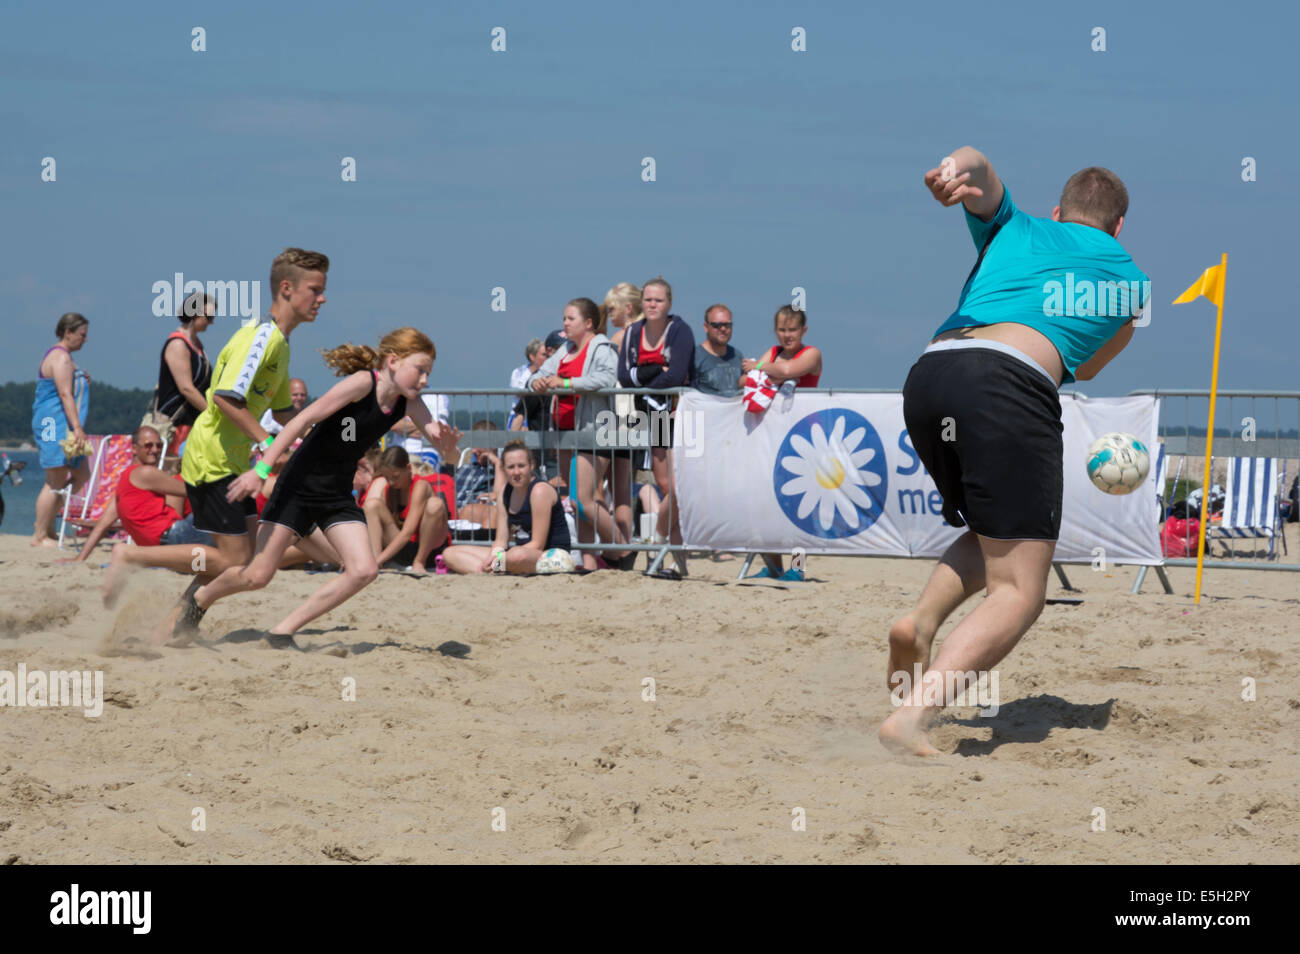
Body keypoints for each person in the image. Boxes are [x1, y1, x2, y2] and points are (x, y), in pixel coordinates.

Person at [881, 148, 1148, 756]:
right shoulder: (1133, 284)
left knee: (996, 530)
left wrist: (953, 167)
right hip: (1008, 382)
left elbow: (980, 169)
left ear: (1058, 211)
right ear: (1120, 228)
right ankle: (910, 718)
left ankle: (919, 622)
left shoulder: (1016, 226)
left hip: (930, 373)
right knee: (1020, 591)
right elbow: (1086, 365)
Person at [161, 327, 442, 648]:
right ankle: (199, 599)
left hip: (335, 494)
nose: (423, 380)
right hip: (298, 486)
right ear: (393, 361)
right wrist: (262, 468)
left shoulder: (410, 403)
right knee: (257, 576)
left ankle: (282, 631)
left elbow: (437, 437)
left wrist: (445, 443)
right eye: (420, 370)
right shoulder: (364, 383)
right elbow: (299, 420)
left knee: (364, 570)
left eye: (428, 373)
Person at [179, 247, 328, 583]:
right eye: (315, 291)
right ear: (287, 288)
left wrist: (325, 436)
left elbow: (283, 410)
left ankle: (178, 621)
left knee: (245, 560)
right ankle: (132, 555)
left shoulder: (281, 342)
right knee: (236, 559)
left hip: (232, 461)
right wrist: (267, 444)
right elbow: (226, 399)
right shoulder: (263, 337)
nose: (322, 299)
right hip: (211, 457)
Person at [69, 427, 330, 605]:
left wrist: (82, 556)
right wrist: (233, 480)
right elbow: (192, 490)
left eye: (158, 445)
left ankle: (183, 612)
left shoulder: (128, 479)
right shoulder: (147, 473)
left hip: (168, 542)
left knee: (239, 557)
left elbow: (106, 520)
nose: (154, 449)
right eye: (147, 445)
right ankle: (131, 557)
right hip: (173, 537)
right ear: (134, 447)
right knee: (244, 553)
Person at [530, 298, 627, 569]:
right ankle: (588, 562)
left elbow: (607, 378)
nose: (565, 323)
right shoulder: (564, 350)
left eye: (570, 318)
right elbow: (538, 374)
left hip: (592, 430)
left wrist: (567, 383)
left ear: (588, 323)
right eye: (564, 318)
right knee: (578, 502)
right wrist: (536, 382)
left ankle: (623, 547)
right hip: (564, 431)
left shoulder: (602, 347)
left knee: (581, 500)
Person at [741, 305, 822, 580]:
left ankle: (797, 568)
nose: (787, 335)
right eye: (782, 330)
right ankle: (774, 566)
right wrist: (762, 369)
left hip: (804, 438)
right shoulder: (773, 352)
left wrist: (761, 367)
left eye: (793, 330)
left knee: (799, 508)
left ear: (803, 330)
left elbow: (789, 369)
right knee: (764, 503)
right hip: (771, 437)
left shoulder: (812, 353)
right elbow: (744, 378)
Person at [618, 277, 695, 552]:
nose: (652, 305)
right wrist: (654, 371)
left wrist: (643, 377)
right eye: (648, 300)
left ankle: (661, 537)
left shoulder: (680, 331)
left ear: (669, 303)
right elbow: (624, 378)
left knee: (678, 488)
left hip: (679, 415)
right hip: (650, 417)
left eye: (658, 300)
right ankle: (674, 555)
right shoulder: (632, 333)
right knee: (666, 486)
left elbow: (676, 375)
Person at [442, 441, 571, 574]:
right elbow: (501, 541)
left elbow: (538, 544)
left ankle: (496, 569)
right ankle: (491, 572)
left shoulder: (540, 491)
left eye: (521, 466)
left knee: (517, 554)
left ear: (531, 465)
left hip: (551, 556)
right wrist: (495, 556)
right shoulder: (505, 492)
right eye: (511, 467)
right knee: (450, 553)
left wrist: (498, 561)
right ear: (504, 469)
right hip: (515, 555)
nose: (516, 472)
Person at [31, 313, 91, 547]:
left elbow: (69, 387)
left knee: (81, 474)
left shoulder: (65, 359)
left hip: (62, 425)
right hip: (53, 424)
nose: (85, 340)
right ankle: (40, 534)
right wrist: (77, 428)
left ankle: (47, 526)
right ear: (68, 332)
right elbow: (65, 394)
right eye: (82, 335)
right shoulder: (60, 358)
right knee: (54, 479)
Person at [143, 292, 215, 470]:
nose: (211, 322)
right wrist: (213, 413)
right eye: (209, 316)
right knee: (169, 475)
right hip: (174, 425)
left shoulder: (197, 345)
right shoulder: (178, 344)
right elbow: (186, 388)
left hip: (190, 422)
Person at [360, 446, 452, 574]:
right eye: (387, 478)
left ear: (408, 468)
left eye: (395, 477)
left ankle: (419, 561)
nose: (391, 482)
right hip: (403, 547)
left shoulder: (420, 486)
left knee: (434, 505)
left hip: (429, 548)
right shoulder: (389, 490)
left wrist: (379, 560)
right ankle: (375, 560)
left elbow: (408, 531)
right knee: (371, 505)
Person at [692, 304, 744, 397]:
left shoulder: (737, 355)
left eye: (727, 325)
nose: (723, 329)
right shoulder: (694, 357)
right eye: (717, 325)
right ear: (706, 327)